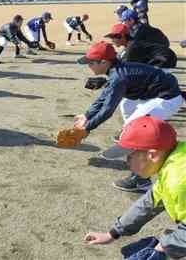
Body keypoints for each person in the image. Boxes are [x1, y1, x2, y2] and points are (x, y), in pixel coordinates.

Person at [74, 41, 184, 192]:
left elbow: (107, 110)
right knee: (126, 104)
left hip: (167, 98)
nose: (88, 66)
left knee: (137, 126)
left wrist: (86, 129)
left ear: (104, 62)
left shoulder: (119, 77)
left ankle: (140, 180)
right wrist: (87, 116)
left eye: (91, 62)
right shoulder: (115, 71)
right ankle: (129, 136)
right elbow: (104, 97)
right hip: (153, 94)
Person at [85, 116, 186, 260]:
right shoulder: (173, 162)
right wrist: (113, 233)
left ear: (152, 155)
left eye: (129, 157)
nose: (127, 164)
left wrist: (164, 247)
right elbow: (150, 203)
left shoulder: (179, 179)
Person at [106, 23, 177, 70]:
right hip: (163, 57)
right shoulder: (130, 44)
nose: (112, 40)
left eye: (113, 37)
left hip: (165, 59)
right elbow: (121, 58)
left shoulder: (132, 47)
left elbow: (123, 67)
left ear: (122, 36)